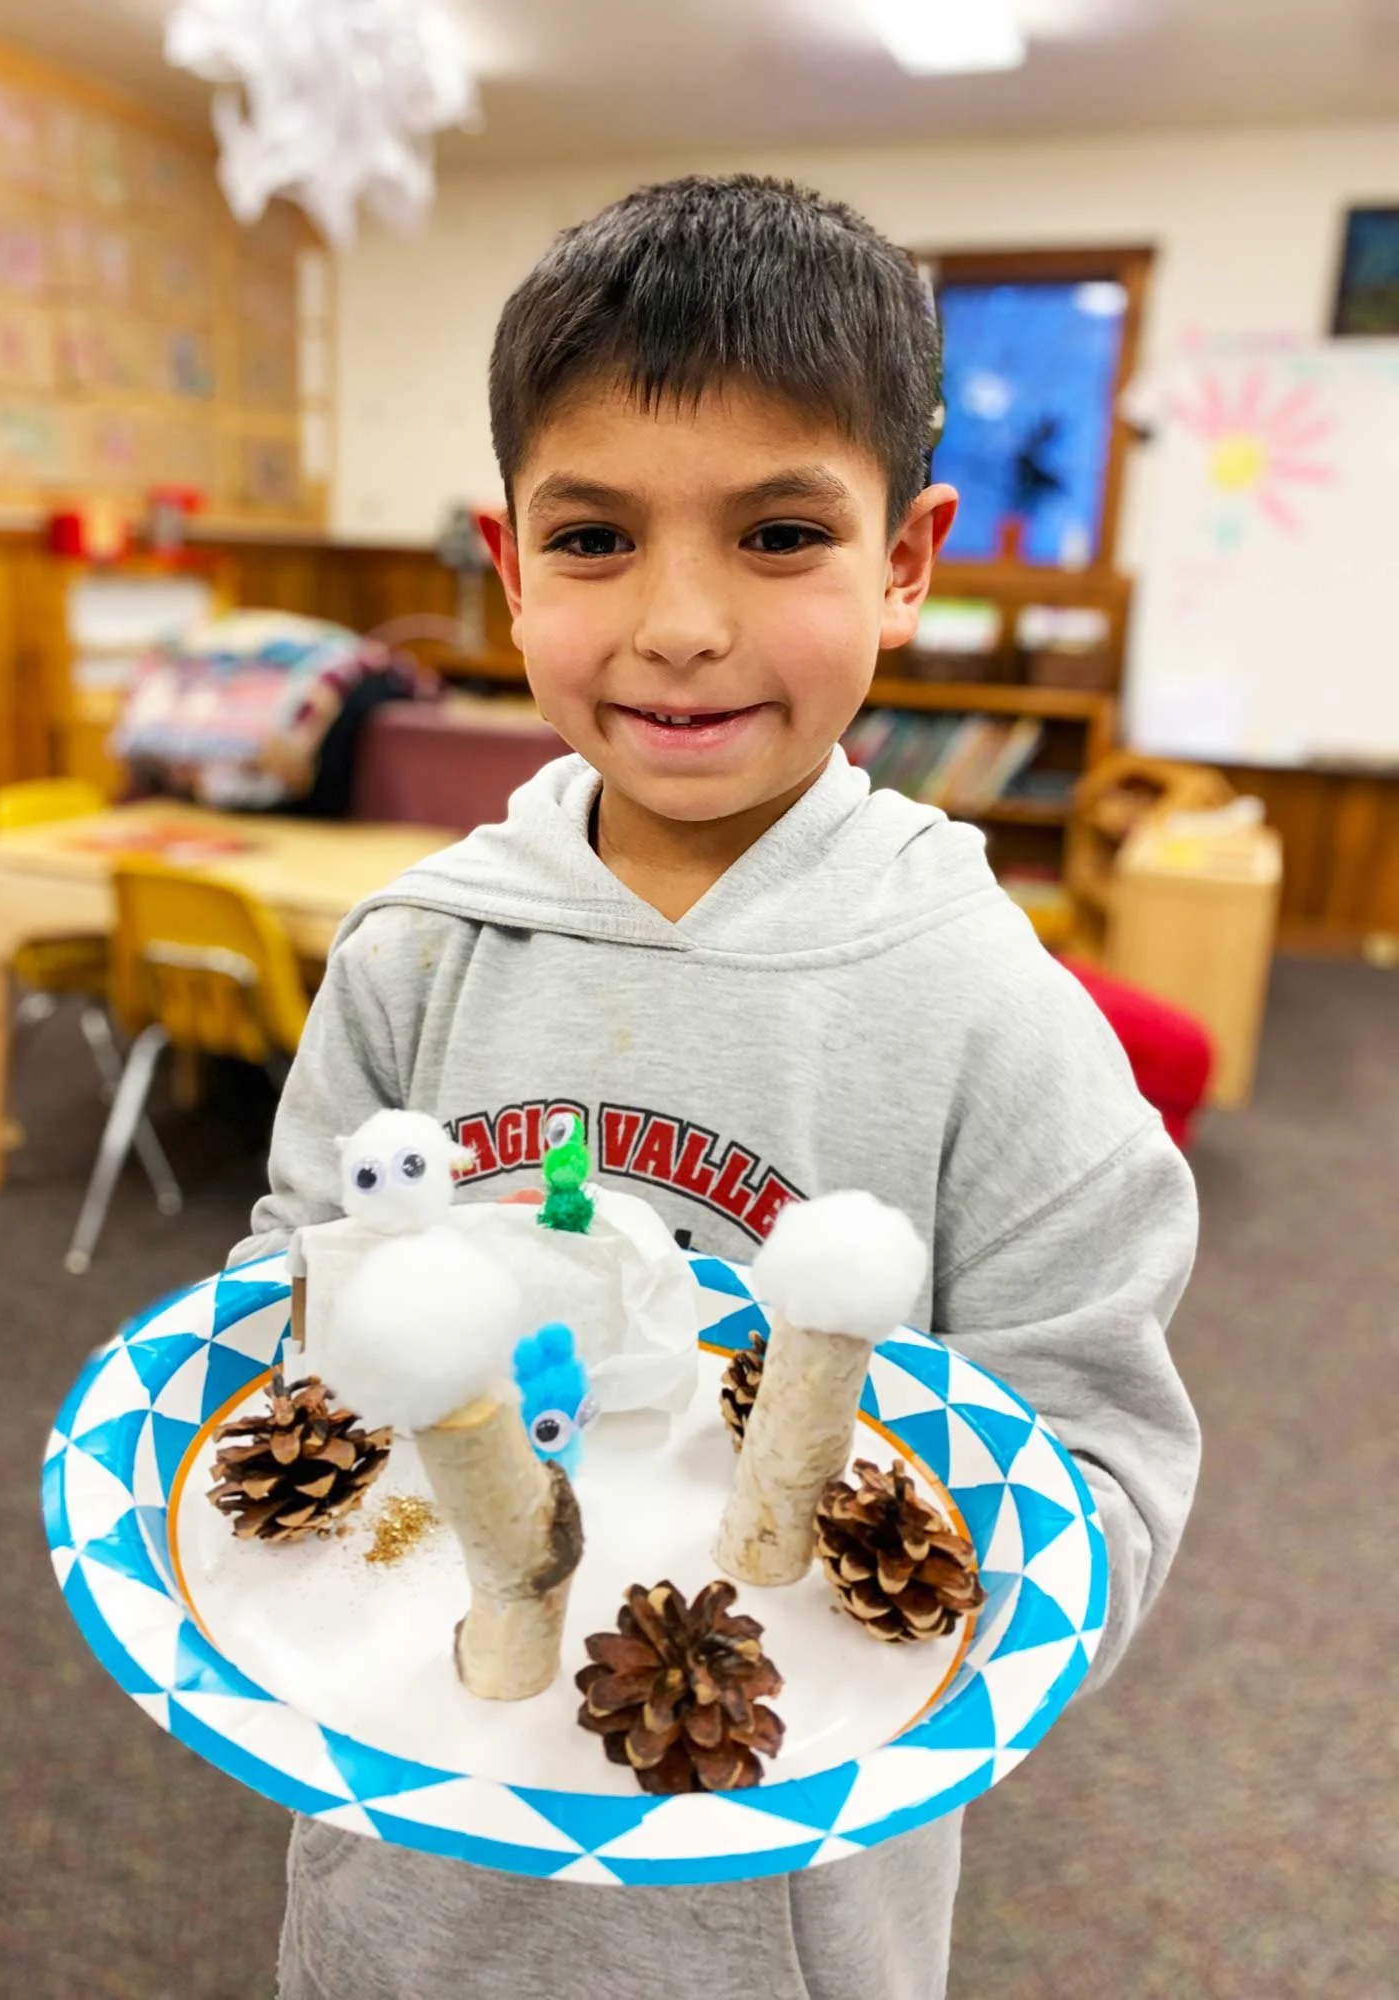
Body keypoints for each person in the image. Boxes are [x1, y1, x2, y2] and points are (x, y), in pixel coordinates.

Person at [234, 173, 1200, 2000]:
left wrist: (890, 1646)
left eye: (775, 534)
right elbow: (289, 1286)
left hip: (779, 1928)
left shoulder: (994, 1014)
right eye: (593, 539)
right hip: (402, 1873)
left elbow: (1100, 1456)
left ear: (905, 560)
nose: (677, 624)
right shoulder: (413, 952)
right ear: (504, 563)